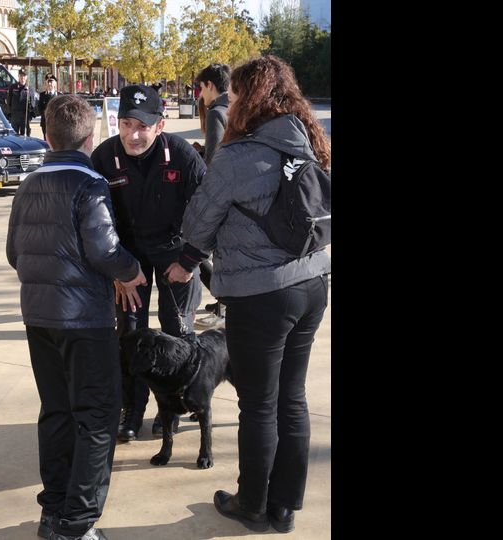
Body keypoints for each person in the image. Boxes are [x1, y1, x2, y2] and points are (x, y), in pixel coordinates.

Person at [169, 55, 332, 534]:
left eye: (236, 93)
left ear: (251, 99)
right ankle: (285, 507)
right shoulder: (311, 142)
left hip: (261, 295)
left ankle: (253, 505)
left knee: (259, 404)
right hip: (313, 286)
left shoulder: (239, 155)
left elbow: (198, 222)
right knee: (292, 398)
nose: (231, 101)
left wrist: (185, 259)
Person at [6, 94, 148, 540]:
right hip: (83, 321)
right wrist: (131, 270)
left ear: (47, 137)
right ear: (91, 138)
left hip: (39, 318)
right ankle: (77, 523)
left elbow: (15, 253)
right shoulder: (90, 183)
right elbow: (104, 249)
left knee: (57, 412)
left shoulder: (28, 185)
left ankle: (54, 511)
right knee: (98, 417)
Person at [90, 84, 208, 442]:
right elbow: (94, 223)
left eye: (142, 126)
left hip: (176, 253)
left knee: (177, 334)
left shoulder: (184, 156)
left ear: (160, 125)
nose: (133, 134)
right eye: (126, 124)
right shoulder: (103, 157)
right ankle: (132, 410)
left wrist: (189, 261)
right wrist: (118, 272)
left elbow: (211, 211)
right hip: (129, 259)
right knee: (130, 336)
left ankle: (169, 410)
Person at [192, 63, 232, 328]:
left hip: (220, 193)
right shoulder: (237, 107)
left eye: (200, 88)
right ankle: (224, 304)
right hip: (239, 190)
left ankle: (223, 309)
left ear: (209, 85)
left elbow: (214, 158)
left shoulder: (217, 112)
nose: (200, 95)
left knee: (205, 252)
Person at [7, 68, 36, 137]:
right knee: (14, 135)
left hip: (25, 116)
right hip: (15, 115)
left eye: (24, 76)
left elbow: (32, 103)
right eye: (21, 76)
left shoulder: (30, 88)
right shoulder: (13, 87)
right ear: (18, 77)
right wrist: (9, 113)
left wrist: (30, 115)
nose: (22, 78)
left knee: (25, 136)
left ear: (26, 77)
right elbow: (9, 101)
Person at [38, 75, 59, 139]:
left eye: (51, 82)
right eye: (48, 82)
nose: (49, 84)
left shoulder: (59, 95)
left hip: (56, 123)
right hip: (45, 122)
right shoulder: (42, 95)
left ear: (55, 83)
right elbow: (39, 108)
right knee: (46, 140)